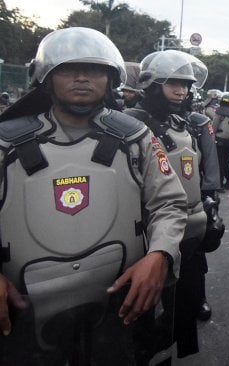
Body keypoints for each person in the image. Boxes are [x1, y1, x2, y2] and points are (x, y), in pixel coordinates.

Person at [0, 27, 187, 365]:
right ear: (46, 76)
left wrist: (160, 254)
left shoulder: (135, 137)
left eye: (96, 69)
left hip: (119, 304)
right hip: (24, 312)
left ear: (110, 78)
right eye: (69, 69)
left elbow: (169, 203)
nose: (83, 78)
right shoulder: (7, 143)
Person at [124, 49, 222, 358]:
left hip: (188, 224)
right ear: (153, 85)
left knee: (185, 302)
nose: (182, 91)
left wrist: (208, 201)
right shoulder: (129, 124)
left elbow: (197, 165)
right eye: (173, 84)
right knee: (146, 313)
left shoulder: (186, 122)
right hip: (148, 231)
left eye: (186, 85)